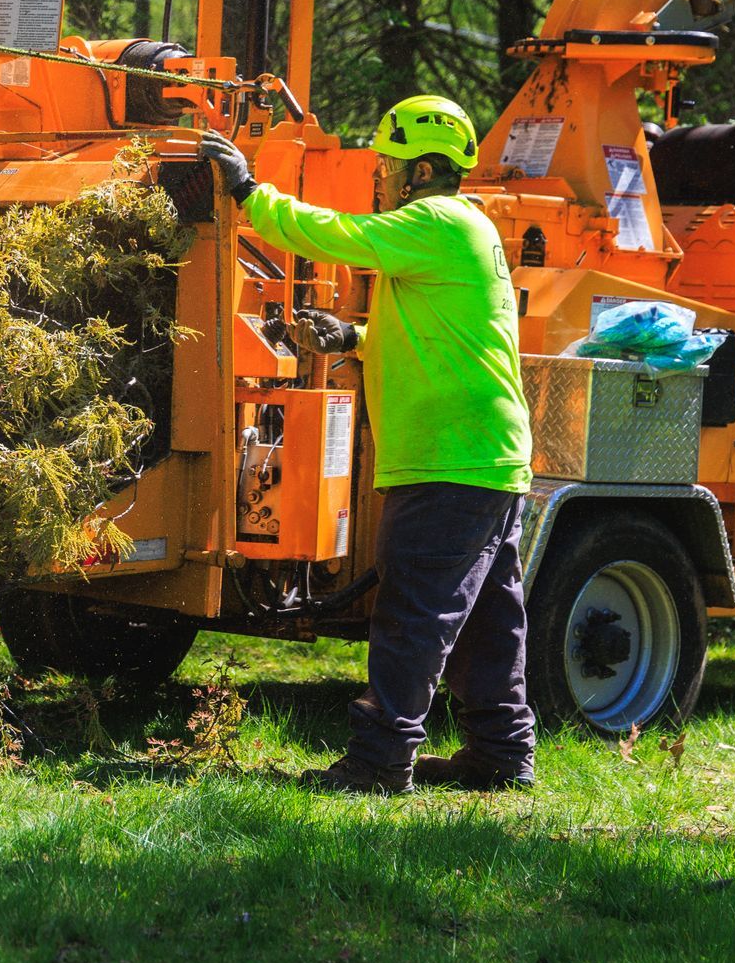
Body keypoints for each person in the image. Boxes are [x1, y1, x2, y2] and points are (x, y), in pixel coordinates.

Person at [199, 95, 535, 793]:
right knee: (486, 616)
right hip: (486, 456)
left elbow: (338, 235)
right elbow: (440, 336)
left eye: (392, 164)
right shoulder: (463, 230)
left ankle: (381, 763)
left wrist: (248, 193)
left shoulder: (435, 220)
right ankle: (501, 755)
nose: (382, 175)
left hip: (451, 456)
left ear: (427, 169)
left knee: (415, 609)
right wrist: (353, 337)